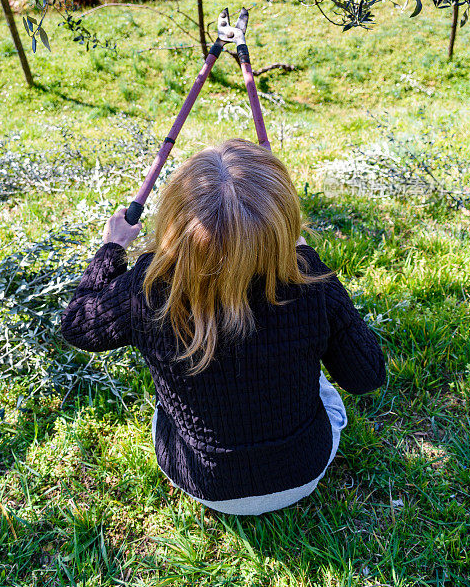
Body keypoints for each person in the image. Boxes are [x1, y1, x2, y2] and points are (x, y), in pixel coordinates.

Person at [61, 138, 386, 515]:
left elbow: (77, 324)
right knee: (320, 376)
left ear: (173, 221)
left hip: (201, 479)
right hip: (303, 470)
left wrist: (111, 249)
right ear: (281, 221)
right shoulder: (308, 279)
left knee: (170, 399)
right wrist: (307, 258)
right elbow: (367, 376)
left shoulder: (146, 288)